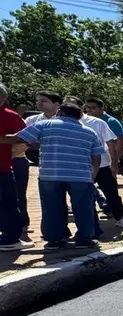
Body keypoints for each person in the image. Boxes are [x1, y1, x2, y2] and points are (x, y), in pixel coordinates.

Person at [0, 101, 104, 249]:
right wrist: (92, 175)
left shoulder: (45, 125)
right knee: (83, 208)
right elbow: (96, 157)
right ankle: (84, 239)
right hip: (80, 176)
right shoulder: (89, 132)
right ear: (80, 116)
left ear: (59, 112)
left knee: (52, 208)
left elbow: (16, 139)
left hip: (50, 175)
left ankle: (54, 240)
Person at [73, 97, 123, 230]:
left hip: (102, 164)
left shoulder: (99, 123)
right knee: (84, 195)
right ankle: (91, 224)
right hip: (79, 166)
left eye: (93, 108)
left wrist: (114, 163)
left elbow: (112, 143)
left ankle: (121, 217)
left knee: (111, 192)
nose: (89, 110)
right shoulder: (64, 123)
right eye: (88, 107)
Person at [20, 91, 65, 239]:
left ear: (56, 104)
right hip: (45, 164)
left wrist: (39, 142)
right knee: (49, 201)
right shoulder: (32, 120)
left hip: (66, 163)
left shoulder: (65, 120)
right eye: (37, 100)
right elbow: (23, 138)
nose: (39, 103)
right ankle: (51, 234)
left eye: (43, 101)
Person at [0, 83, 30, 251]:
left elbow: (25, 138)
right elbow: (26, 138)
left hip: (4, 167)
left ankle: (9, 237)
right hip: (2, 168)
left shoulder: (10, 116)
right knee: (8, 203)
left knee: (8, 203)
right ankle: (10, 239)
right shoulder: (9, 115)